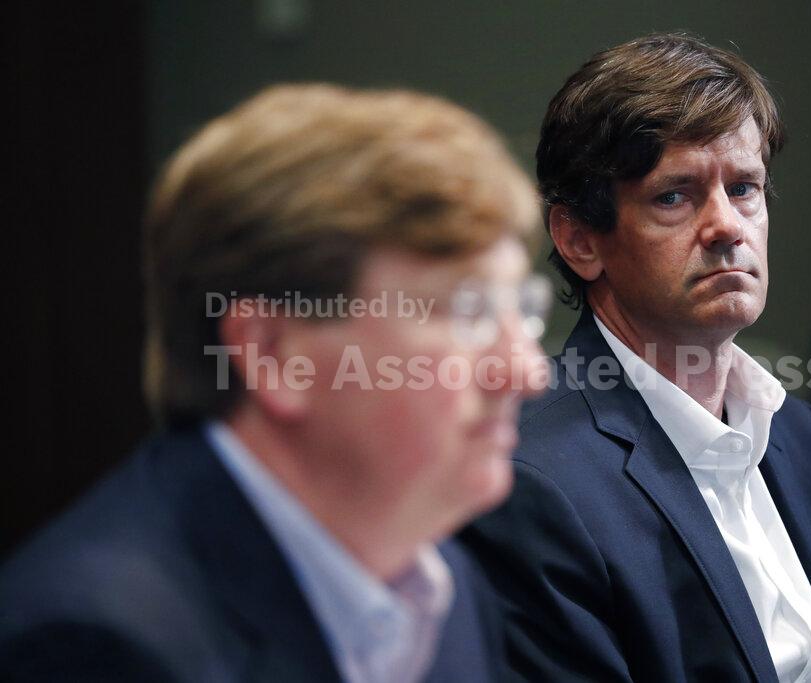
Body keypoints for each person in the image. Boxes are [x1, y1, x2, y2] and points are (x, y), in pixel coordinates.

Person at [0, 83, 550, 682]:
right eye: (469, 313)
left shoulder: (437, 577)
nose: (527, 371)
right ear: (273, 353)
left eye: (519, 307)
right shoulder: (97, 645)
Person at [461, 33, 811, 682]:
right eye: (675, 196)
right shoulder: (533, 483)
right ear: (580, 239)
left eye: (744, 188)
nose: (727, 226)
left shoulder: (808, 440)